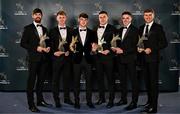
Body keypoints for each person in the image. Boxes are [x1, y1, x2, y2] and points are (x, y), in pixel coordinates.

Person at [20, 8, 51, 112]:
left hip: (44, 59)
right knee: (31, 82)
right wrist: (36, 48)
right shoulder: (28, 28)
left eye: (39, 14)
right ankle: (31, 104)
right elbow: (23, 43)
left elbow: (48, 43)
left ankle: (40, 100)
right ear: (33, 16)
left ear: (41, 16)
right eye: (36, 14)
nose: (38, 16)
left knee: (41, 81)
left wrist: (48, 48)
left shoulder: (45, 29)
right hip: (33, 59)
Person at [138, 8, 168, 113]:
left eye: (150, 15)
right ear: (143, 16)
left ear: (153, 15)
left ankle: (154, 107)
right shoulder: (141, 27)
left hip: (153, 59)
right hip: (143, 59)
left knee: (153, 83)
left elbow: (164, 43)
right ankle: (149, 102)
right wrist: (139, 48)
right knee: (147, 83)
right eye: (146, 15)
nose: (148, 17)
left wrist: (151, 49)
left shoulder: (158, 27)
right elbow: (140, 42)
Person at [112, 11, 139, 110]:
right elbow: (117, 45)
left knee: (133, 81)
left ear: (131, 19)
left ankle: (134, 102)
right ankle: (123, 99)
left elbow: (137, 46)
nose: (125, 20)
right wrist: (114, 48)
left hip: (131, 59)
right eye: (123, 18)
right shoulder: (119, 30)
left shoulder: (136, 30)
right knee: (122, 81)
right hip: (120, 60)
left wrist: (123, 50)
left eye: (127, 18)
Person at [92, 11, 116, 108]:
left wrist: (109, 50)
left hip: (108, 58)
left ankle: (111, 100)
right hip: (98, 58)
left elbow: (116, 44)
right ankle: (101, 98)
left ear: (107, 17)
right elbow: (92, 42)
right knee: (100, 79)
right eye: (100, 17)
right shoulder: (94, 29)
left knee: (110, 79)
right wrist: (93, 48)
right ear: (98, 18)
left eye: (104, 17)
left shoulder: (113, 29)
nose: (102, 19)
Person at [71, 13, 96, 109]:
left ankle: (89, 101)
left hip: (88, 60)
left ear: (87, 21)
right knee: (76, 82)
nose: (83, 21)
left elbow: (94, 46)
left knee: (89, 82)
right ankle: (76, 102)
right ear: (78, 20)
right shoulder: (72, 32)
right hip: (76, 60)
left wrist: (94, 49)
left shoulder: (92, 32)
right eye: (82, 19)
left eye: (85, 20)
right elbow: (70, 46)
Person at [49, 11, 74, 108]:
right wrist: (54, 53)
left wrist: (70, 51)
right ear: (57, 18)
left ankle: (67, 99)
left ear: (66, 18)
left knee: (67, 80)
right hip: (56, 60)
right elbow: (49, 45)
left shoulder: (71, 30)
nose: (62, 19)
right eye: (60, 17)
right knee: (55, 80)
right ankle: (56, 100)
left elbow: (73, 45)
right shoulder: (52, 31)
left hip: (67, 60)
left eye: (63, 17)